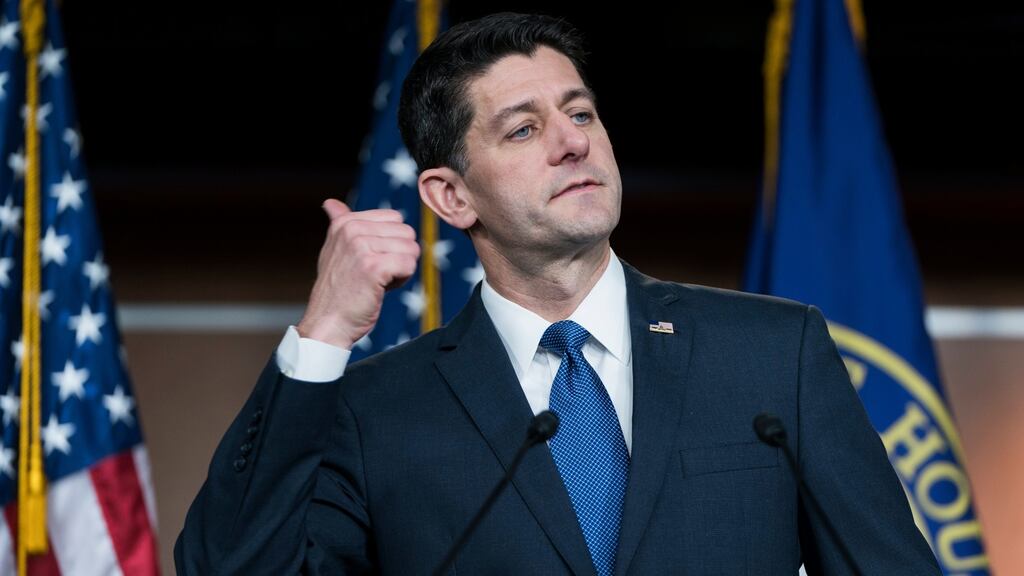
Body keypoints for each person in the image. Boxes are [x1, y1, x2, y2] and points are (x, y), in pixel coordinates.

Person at [175, 12, 940, 575]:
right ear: (450, 197)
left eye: (580, 113)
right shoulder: (377, 410)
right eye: (522, 130)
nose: (573, 140)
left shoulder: (772, 354)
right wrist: (323, 332)